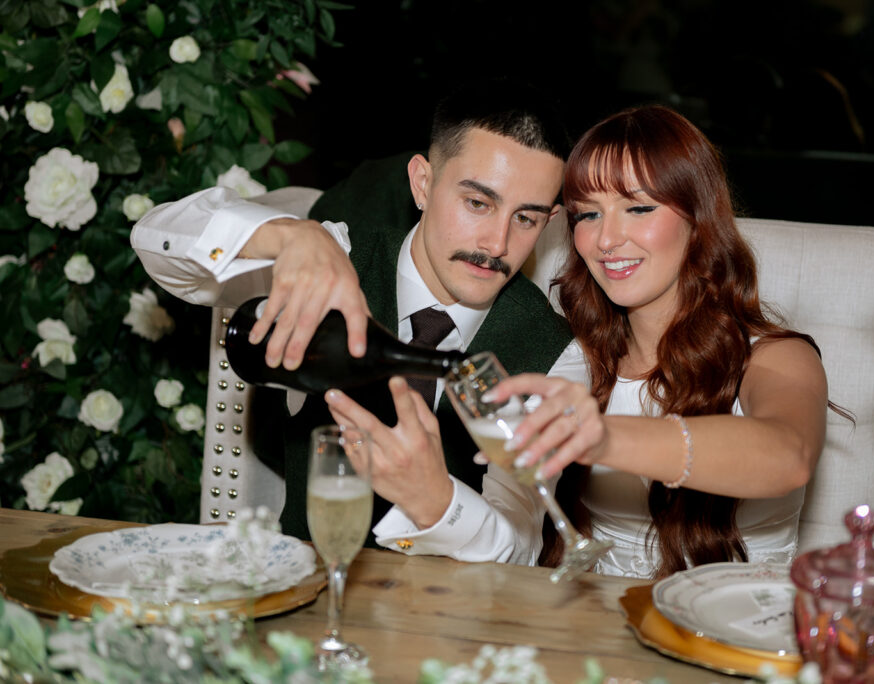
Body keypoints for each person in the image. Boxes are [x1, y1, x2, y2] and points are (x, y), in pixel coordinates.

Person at [343, 105, 832, 578]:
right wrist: (435, 501)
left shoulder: (775, 357)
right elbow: (515, 539)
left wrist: (603, 436)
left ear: (698, 218)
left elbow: (788, 456)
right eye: (588, 215)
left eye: (638, 208)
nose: (606, 240)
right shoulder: (575, 360)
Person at [130, 79, 576, 539]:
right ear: (422, 184)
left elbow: (518, 543)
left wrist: (436, 502)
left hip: (452, 606)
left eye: (525, 218)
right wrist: (290, 236)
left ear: (549, 221)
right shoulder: (334, 265)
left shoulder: (556, 351)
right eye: (478, 203)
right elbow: (154, 239)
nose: (497, 244)